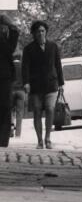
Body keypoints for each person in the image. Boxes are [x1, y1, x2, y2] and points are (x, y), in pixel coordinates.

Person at [21, 20, 64, 149]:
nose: (40, 33)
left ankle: (48, 138)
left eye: (42, 31)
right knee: (37, 111)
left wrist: (61, 83)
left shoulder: (53, 46)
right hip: (35, 86)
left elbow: (58, 65)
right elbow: (25, 67)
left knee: (50, 109)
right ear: (33, 33)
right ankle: (40, 140)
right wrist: (26, 82)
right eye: (38, 31)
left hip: (51, 84)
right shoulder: (28, 49)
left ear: (46, 32)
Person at [0, 15, 21, 147]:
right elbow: (9, 49)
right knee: (5, 107)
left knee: (5, 107)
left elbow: (15, 32)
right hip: (5, 74)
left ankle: (3, 139)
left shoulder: (7, 38)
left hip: (5, 75)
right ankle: (3, 139)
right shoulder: (5, 40)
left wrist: (9, 24)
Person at [11, 53, 25, 138]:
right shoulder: (23, 66)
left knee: (10, 110)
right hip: (21, 91)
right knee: (19, 112)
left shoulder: (10, 66)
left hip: (11, 91)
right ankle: (18, 133)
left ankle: (11, 128)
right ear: (20, 58)